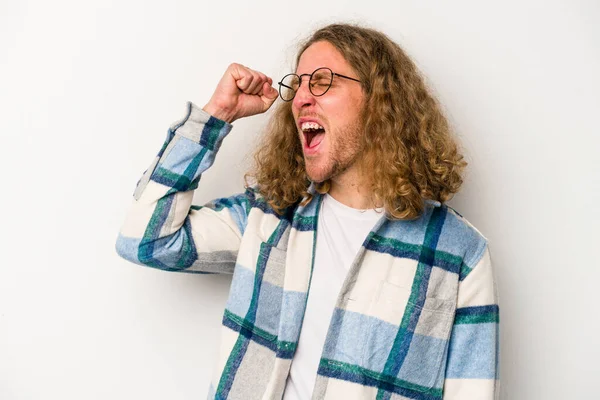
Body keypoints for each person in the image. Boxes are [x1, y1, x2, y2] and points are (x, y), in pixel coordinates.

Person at [116, 23, 500, 400]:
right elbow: (145, 240)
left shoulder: (459, 253)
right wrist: (216, 116)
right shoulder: (268, 217)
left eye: (321, 81)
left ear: (382, 100)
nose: (300, 98)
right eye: (297, 85)